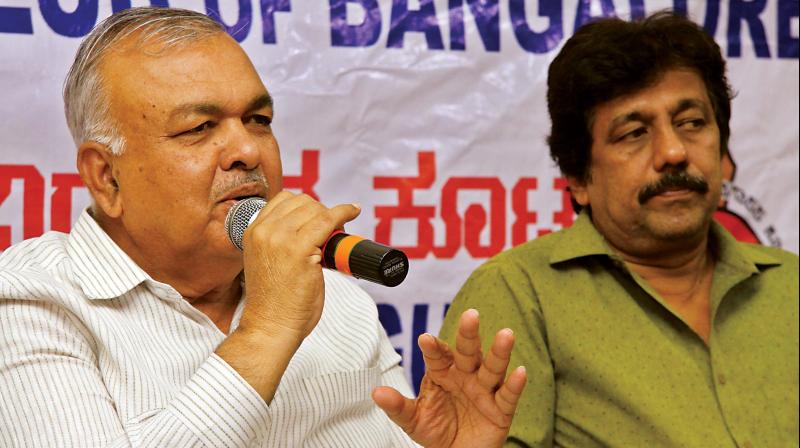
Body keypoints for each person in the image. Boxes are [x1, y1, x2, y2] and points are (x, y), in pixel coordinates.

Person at [0, 7, 528, 447]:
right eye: (199, 128)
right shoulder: (29, 299)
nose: (248, 151)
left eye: (259, 121)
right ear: (107, 177)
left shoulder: (339, 301)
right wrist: (269, 331)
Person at [440, 11, 798, 448]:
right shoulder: (519, 293)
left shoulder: (790, 285)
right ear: (579, 178)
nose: (673, 152)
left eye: (691, 123)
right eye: (633, 132)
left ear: (723, 152)